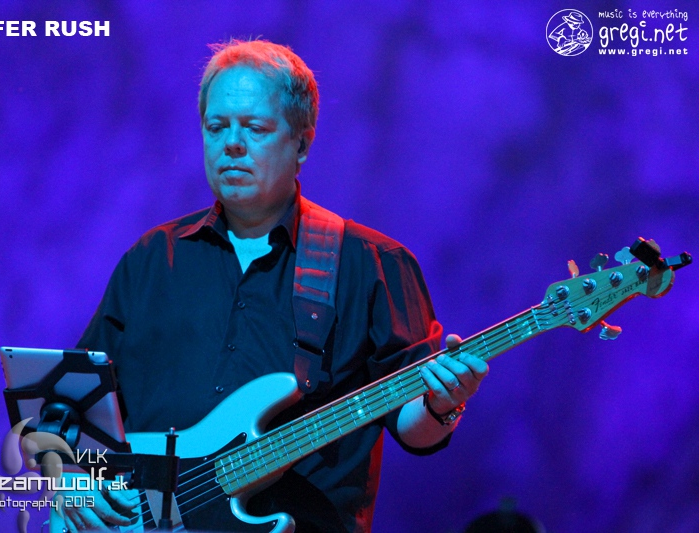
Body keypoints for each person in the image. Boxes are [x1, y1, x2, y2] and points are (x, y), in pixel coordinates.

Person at [65, 39, 488, 532]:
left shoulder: (372, 264)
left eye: (256, 128)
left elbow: (414, 431)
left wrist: (441, 404)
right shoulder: (153, 257)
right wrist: (74, 478)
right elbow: (77, 401)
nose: (232, 144)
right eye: (216, 127)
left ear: (302, 144)